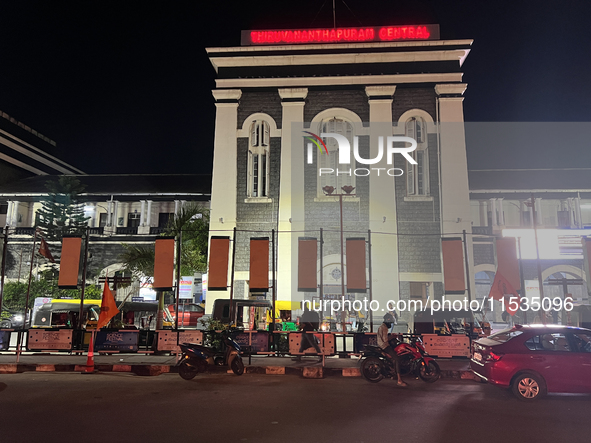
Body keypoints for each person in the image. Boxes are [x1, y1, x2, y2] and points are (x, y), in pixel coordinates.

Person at [377, 313, 407, 386]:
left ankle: (394, 374)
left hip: (383, 345)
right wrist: (392, 337)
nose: (391, 323)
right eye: (391, 322)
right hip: (385, 346)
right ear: (387, 320)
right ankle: (399, 380)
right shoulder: (384, 328)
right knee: (397, 358)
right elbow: (385, 340)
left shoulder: (383, 326)